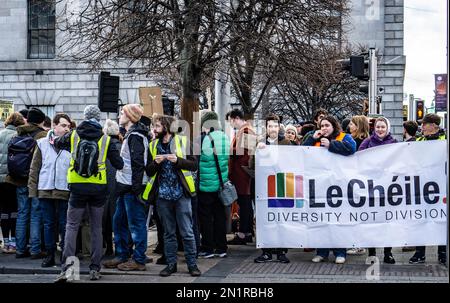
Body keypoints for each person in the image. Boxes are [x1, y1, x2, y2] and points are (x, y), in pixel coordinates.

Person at [54, 105, 123, 282]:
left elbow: (57, 143)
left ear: (84, 117)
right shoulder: (106, 139)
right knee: (96, 228)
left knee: (71, 226)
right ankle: (94, 268)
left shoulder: (74, 135)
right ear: (98, 118)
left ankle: (68, 269)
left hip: (77, 186)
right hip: (98, 188)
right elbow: (119, 164)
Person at [144, 114, 200, 277]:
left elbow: (194, 165)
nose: (154, 129)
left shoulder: (183, 142)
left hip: (182, 194)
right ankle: (171, 264)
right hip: (162, 196)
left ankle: (192, 264)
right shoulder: (153, 145)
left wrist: (178, 161)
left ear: (167, 127)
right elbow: (148, 170)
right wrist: (156, 163)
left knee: (187, 231)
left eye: (157, 126)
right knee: (168, 233)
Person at [303, 115, 357, 264]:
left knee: (339, 220)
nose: (324, 128)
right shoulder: (315, 139)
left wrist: (331, 144)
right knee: (321, 220)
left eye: (327, 125)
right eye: (322, 126)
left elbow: (352, 149)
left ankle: (340, 252)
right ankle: (322, 252)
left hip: (338, 188)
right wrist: (311, 139)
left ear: (334, 126)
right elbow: (301, 153)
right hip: (319, 188)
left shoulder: (344, 137)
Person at [103, 104, 150, 271]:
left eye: (122, 112)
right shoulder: (132, 134)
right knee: (119, 221)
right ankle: (122, 254)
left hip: (131, 187)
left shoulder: (135, 136)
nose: (119, 115)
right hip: (126, 186)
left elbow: (138, 165)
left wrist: (137, 189)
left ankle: (138, 259)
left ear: (130, 116)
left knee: (135, 225)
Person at [28, 113, 72, 267]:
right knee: (48, 225)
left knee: (64, 225)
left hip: (64, 190)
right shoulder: (41, 143)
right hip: (45, 189)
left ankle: (65, 257)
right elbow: (35, 168)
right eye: (63, 125)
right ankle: (50, 255)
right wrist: (32, 191)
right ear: (54, 125)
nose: (67, 129)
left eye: (68, 126)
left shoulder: (72, 143)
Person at [6, 107, 48, 259]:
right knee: (35, 215)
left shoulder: (18, 132)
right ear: (41, 121)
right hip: (34, 181)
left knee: (22, 214)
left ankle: (20, 249)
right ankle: (35, 249)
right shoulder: (42, 135)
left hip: (18, 180)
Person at [358, 116, 397, 264]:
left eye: (383, 127)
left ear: (387, 128)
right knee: (371, 221)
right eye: (378, 127)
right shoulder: (367, 142)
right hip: (370, 189)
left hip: (388, 190)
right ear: (374, 128)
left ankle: (388, 253)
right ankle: (372, 254)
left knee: (388, 222)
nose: (380, 129)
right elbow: (358, 160)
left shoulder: (394, 144)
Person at [409, 113, 446, 266]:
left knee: (442, 220)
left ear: (434, 126)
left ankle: (443, 253)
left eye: (424, 124)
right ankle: (420, 252)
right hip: (422, 187)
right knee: (421, 219)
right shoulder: (418, 140)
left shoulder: (444, 141)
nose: (421, 127)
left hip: (442, 188)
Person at [254, 114, 291, 264]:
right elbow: (252, 165)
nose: (273, 128)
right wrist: (257, 151)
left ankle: (281, 251)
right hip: (264, 186)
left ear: (279, 126)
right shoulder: (260, 142)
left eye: (275, 126)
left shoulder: (286, 143)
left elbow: (291, 162)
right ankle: (266, 251)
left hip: (281, 184)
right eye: (270, 126)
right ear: (266, 127)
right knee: (265, 218)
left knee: (281, 217)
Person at [197, 111, 231, 260]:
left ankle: (208, 248)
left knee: (205, 218)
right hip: (221, 183)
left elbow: (198, 161)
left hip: (206, 184)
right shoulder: (224, 137)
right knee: (219, 216)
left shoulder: (203, 139)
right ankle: (222, 247)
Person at [227, 109, 256, 245]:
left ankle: (244, 233)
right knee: (245, 203)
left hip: (242, 173)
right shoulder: (246, 130)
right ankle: (247, 232)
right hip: (242, 173)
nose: (231, 124)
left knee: (244, 204)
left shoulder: (246, 131)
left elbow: (243, 152)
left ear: (236, 118)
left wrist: (226, 149)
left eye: (231, 121)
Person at [0, 113, 25, 254]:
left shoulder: (0, 133)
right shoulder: (17, 137)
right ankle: (14, 242)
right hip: (12, 179)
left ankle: (6, 243)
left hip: (0, 181)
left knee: (4, 211)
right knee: (15, 211)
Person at [101, 119, 123, 257]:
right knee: (120, 221)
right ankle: (121, 248)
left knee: (105, 221)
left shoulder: (101, 148)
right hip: (119, 187)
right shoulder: (123, 147)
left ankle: (109, 247)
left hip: (103, 188)